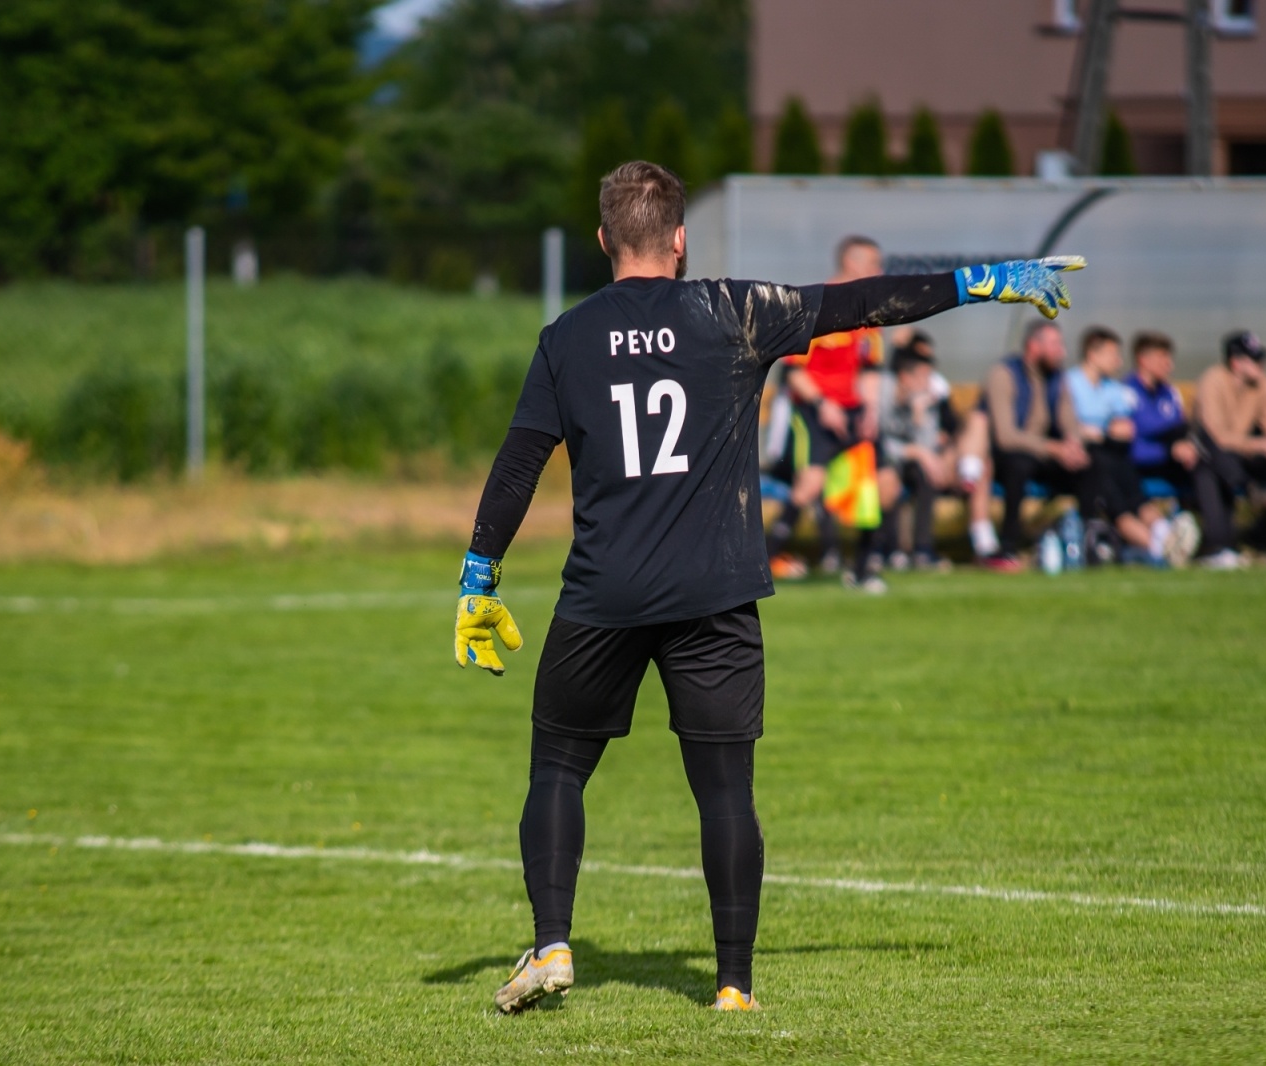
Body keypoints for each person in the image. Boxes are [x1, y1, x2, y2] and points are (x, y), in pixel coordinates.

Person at [452, 161, 1084, 1015]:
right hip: (715, 592)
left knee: (558, 767)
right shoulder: (733, 311)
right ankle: (732, 985)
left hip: (605, 594)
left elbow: (518, 464)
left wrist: (479, 573)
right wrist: (984, 280)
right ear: (680, 240)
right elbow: (862, 302)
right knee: (725, 791)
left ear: (603, 240)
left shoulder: (565, 338)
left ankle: (554, 942)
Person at [763, 236, 885, 586]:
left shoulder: (868, 314)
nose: (879, 272)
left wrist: (870, 410)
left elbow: (870, 368)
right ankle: (765, 560)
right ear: (851, 263)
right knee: (809, 485)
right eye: (873, 264)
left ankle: (862, 570)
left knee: (866, 488)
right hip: (812, 412)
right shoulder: (816, 307)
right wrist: (822, 404)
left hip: (851, 412)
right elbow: (793, 373)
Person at [1063, 327, 1198, 567]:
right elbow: (1068, 425)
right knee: (1116, 499)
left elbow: (1125, 426)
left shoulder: (1113, 388)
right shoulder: (1069, 383)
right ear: (1093, 354)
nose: (1119, 361)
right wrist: (1098, 431)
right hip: (1084, 459)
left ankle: (1165, 534)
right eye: (1113, 354)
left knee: (1133, 490)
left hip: (1113, 454)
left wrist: (1107, 430)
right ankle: (1160, 547)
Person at [1190, 330, 1266, 569]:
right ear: (1236, 362)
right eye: (1255, 359)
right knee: (1209, 465)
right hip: (1217, 454)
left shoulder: (1264, 383)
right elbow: (1217, 437)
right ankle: (1218, 545)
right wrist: (1262, 444)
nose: (1261, 365)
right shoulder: (1213, 380)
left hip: (1246, 454)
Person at [980, 320, 1090, 569]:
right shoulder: (1004, 374)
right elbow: (1006, 436)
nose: (1062, 351)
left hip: (1046, 454)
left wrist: (1074, 445)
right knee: (1018, 467)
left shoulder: (1057, 377)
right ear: (1033, 346)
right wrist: (1053, 448)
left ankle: (1089, 541)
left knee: (1091, 465)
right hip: (1009, 454)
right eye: (1055, 345)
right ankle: (1008, 546)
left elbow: (1069, 420)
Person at [874, 333, 956, 571]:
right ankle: (885, 549)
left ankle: (922, 550)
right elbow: (878, 442)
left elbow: (928, 447)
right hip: (880, 459)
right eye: (924, 377)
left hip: (905, 459)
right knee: (888, 476)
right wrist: (918, 452)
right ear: (905, 377)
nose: (929, 383)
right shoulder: (882, 390)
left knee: (925, 475)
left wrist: (918, 417)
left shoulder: (925, 399)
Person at [1125, 330, 1199, 503]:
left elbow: (1179, 427)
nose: (1170, 365)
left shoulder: (1170, 392)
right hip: (1141, 466)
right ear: (1143, 360)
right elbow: (1130, 447)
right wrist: (1168, 451)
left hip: (1175, 461)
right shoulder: (1125, 393)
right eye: (1163, 358)